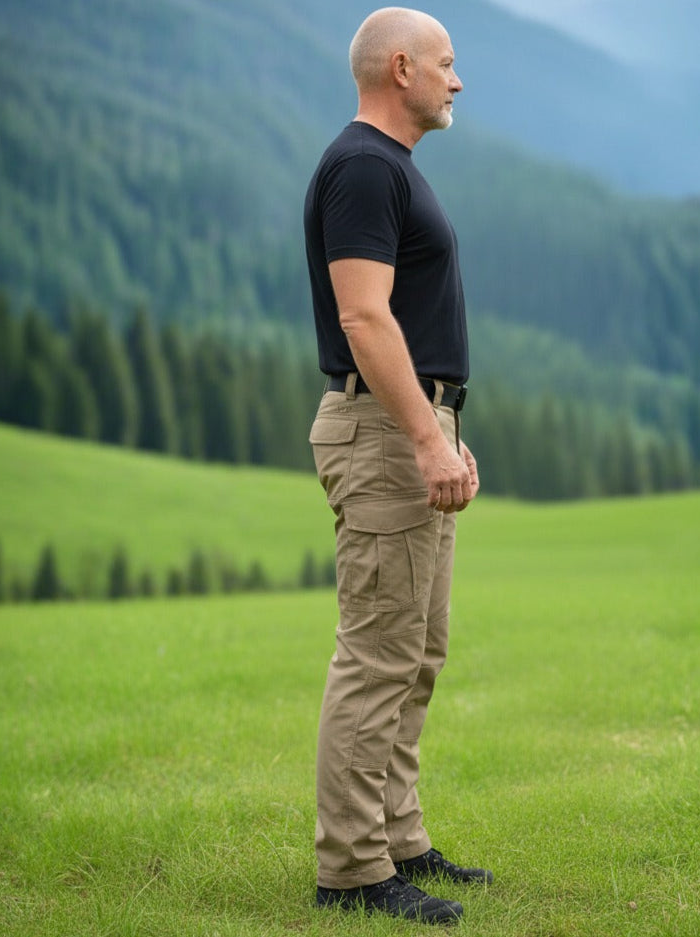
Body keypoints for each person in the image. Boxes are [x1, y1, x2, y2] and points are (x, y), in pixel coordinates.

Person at [303, 6, 491, 926]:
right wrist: (422, 435)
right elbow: (364, 317)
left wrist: (442, 427)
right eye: (446, 64)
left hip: (408, 425)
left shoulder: (390, 167)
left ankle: (399, 838)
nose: (457, 81)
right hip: (383, 433)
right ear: (401, 68)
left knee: (417, 653)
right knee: (377, 655)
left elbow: (402, 319)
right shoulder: (364, 168)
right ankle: (350, 870)